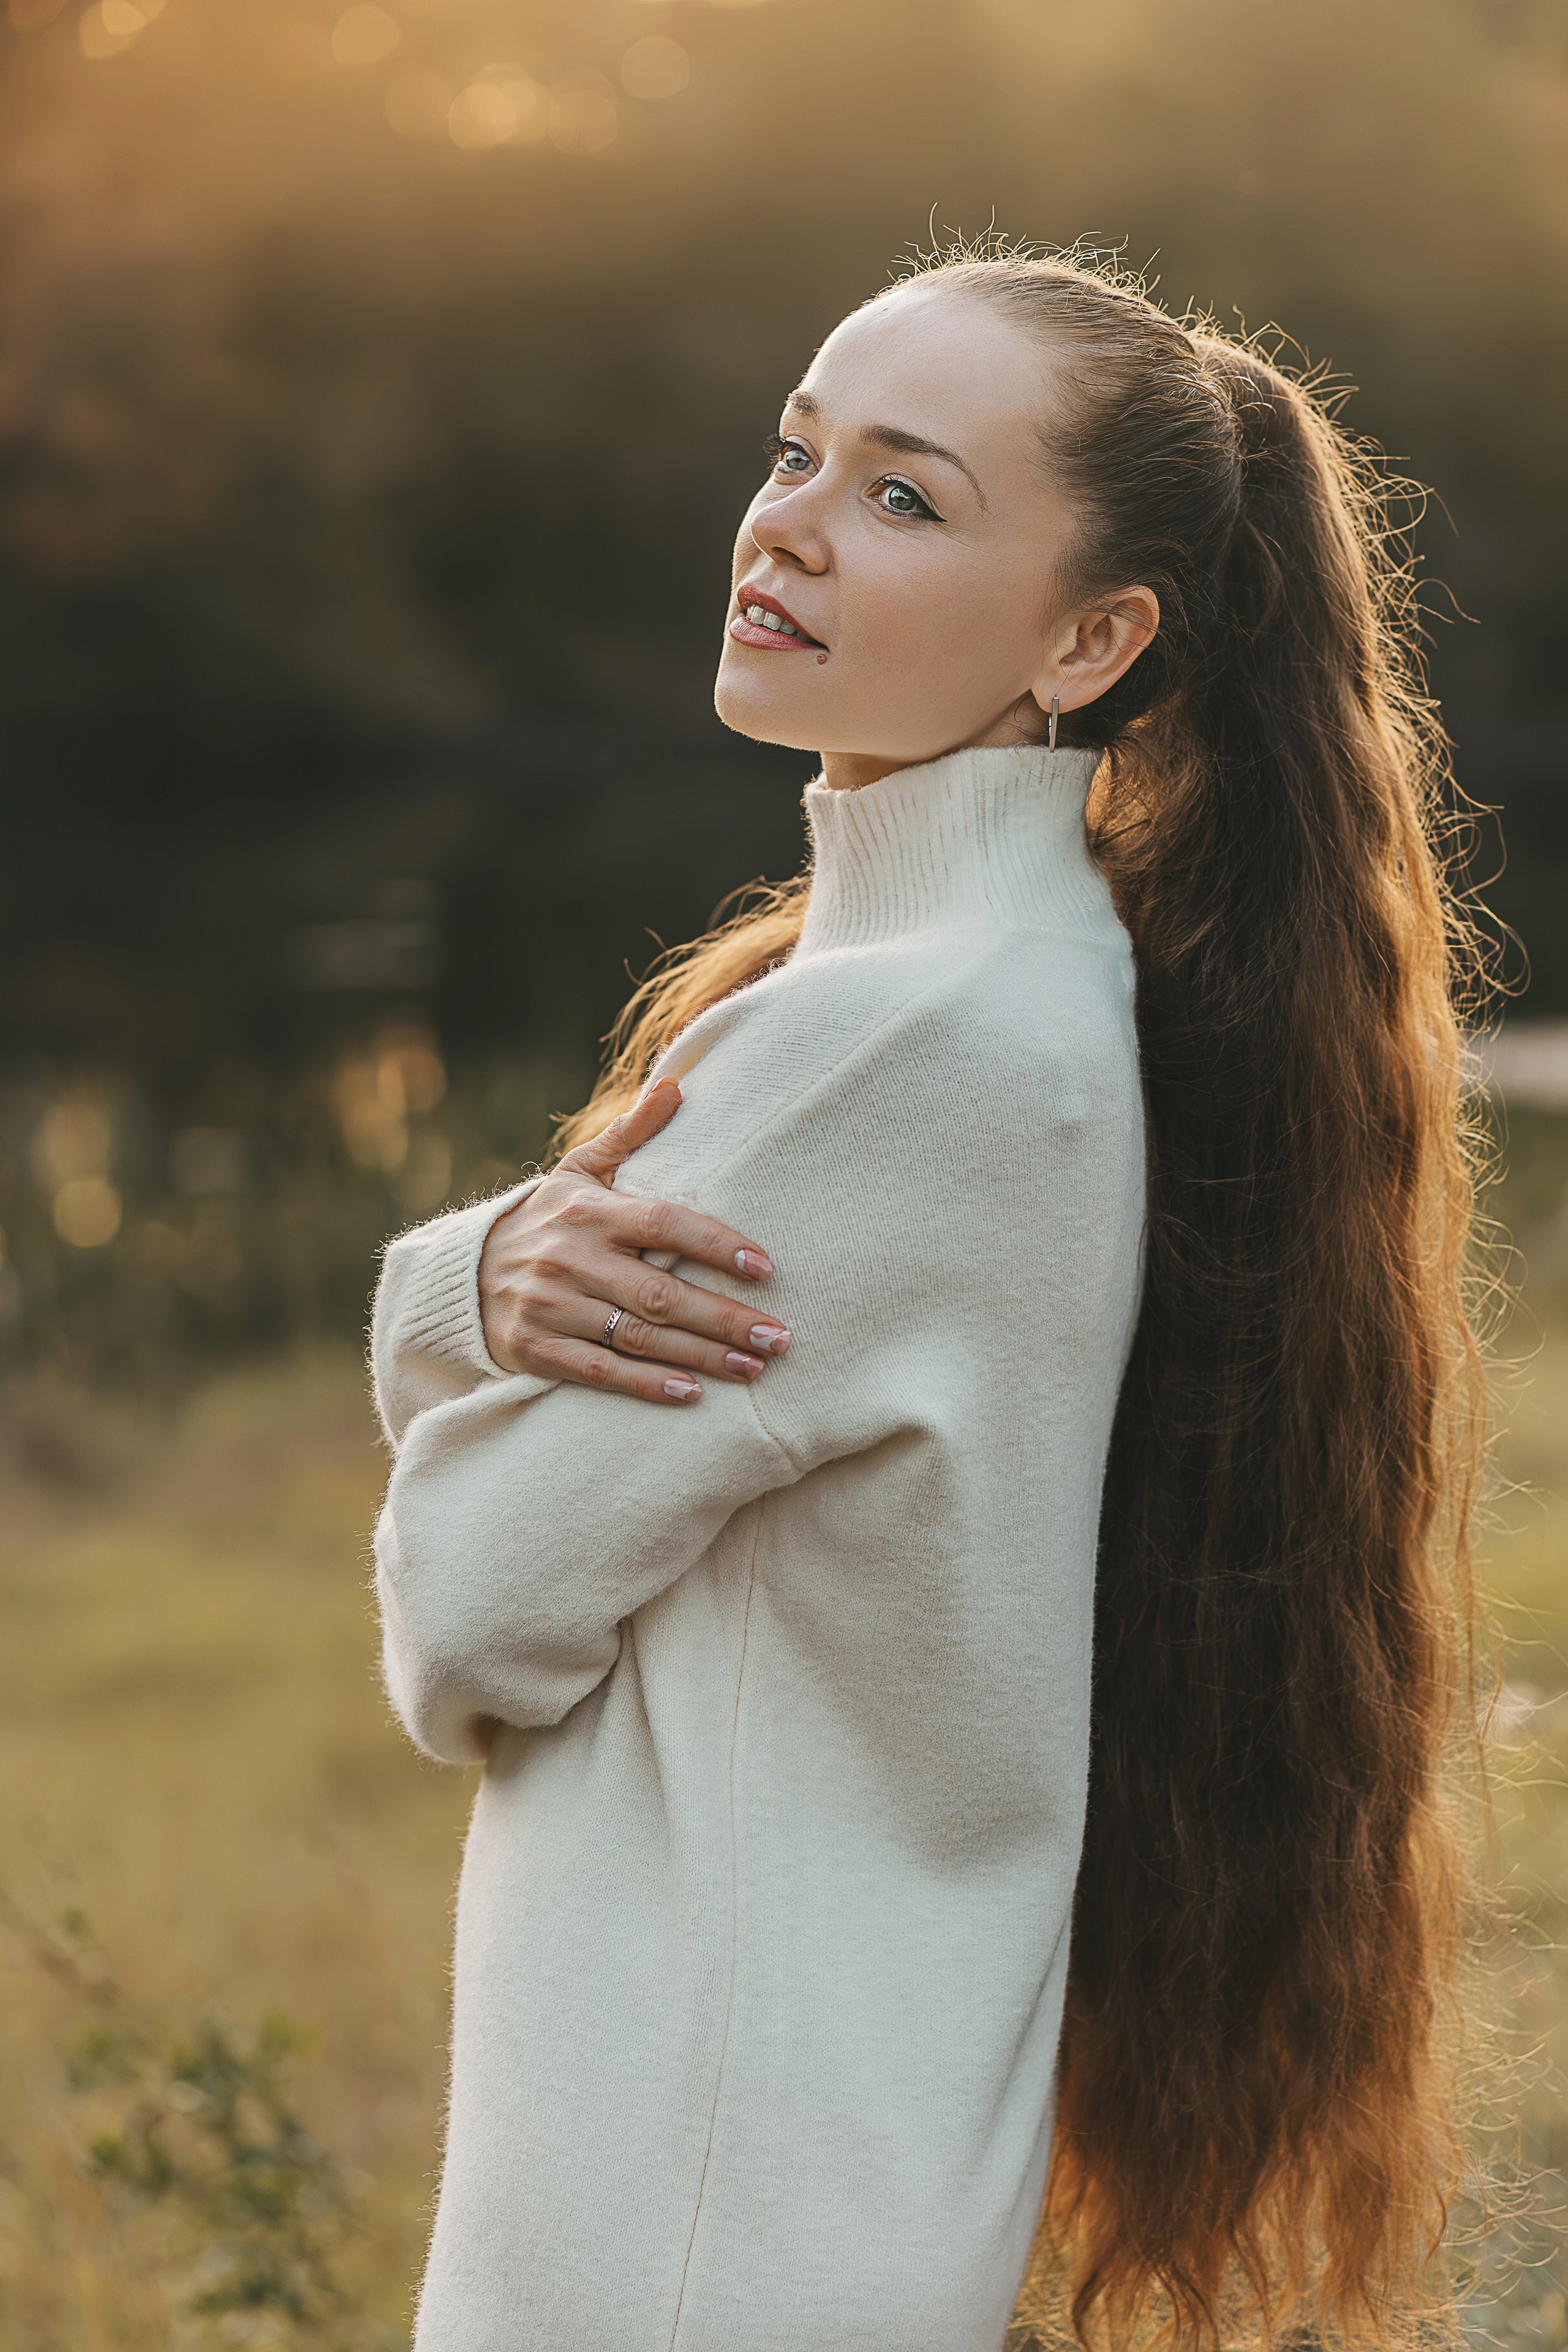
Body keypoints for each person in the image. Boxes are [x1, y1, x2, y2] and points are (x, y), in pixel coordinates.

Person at [370, 246, 1489, 2352]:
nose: (788, 520)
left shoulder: (888, 1050)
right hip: (823, 2192)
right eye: (799, 451)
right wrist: (481, 1282)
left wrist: (433, 1305)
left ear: (1091, 640)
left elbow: (472, 1620)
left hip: (693, 2222)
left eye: (905, 495)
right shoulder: (1031, 988)